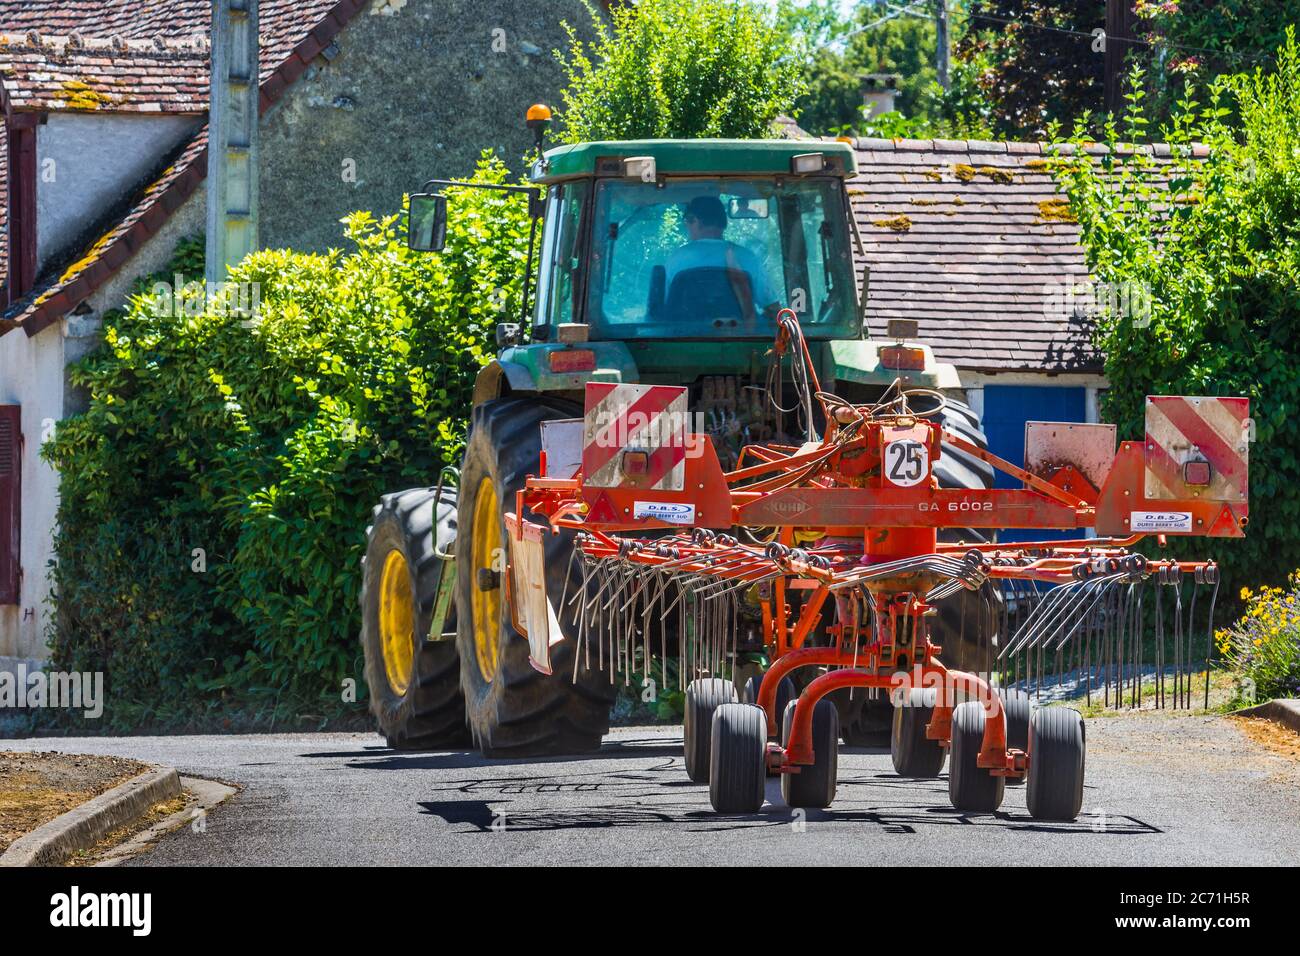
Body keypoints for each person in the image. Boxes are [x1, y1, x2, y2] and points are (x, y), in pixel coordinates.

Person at [663, 196, 780, 319]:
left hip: (684, 336)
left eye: (686, 222)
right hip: (741, 337)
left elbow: (660, 307)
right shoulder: (748, 258)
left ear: (694, 221)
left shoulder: (676, 259)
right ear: (723, 223)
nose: (687, 227)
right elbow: (773, 309)